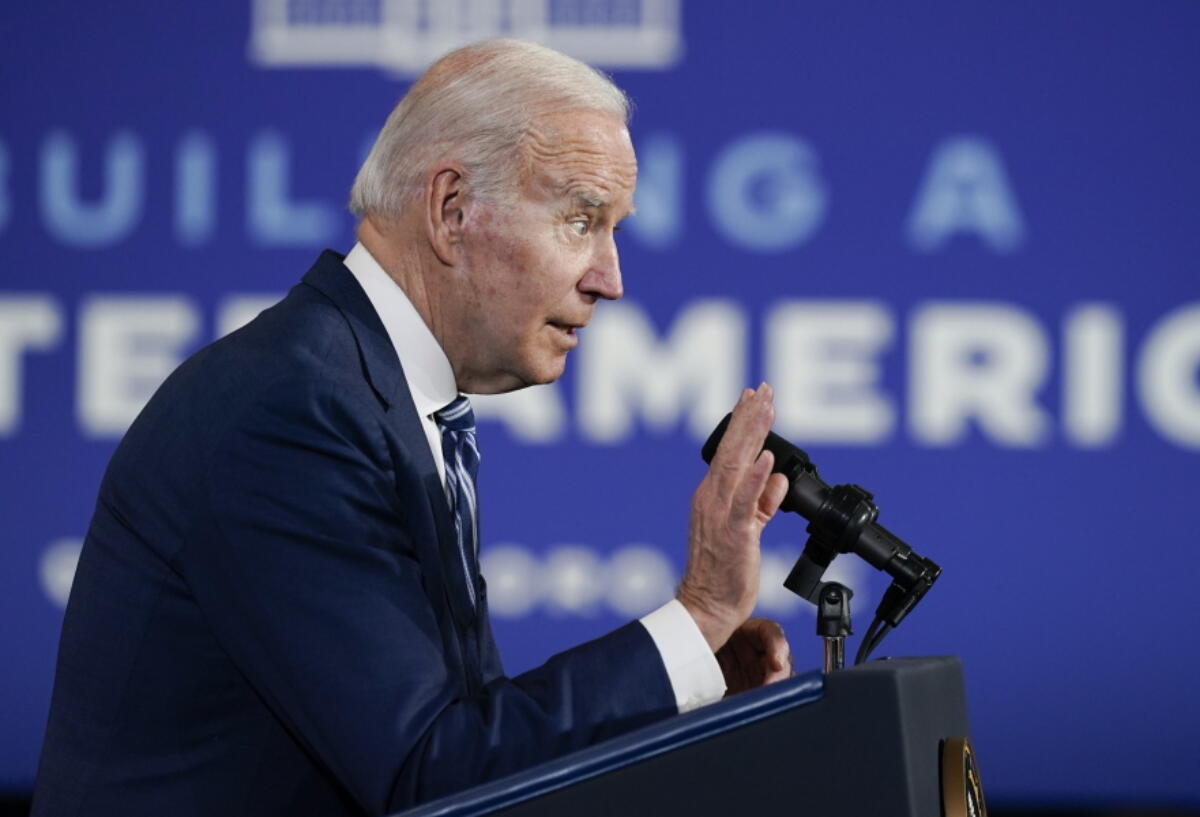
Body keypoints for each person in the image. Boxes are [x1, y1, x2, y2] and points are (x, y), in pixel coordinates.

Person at [33, 39, 792, 816]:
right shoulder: (293, 409)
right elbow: (430, 776)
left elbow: (474, 745)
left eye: (615, 229)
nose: (611, 278)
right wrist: (695, 613)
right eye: (580, 219)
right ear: (451, 210)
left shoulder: (379, 395)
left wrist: (685, 666)